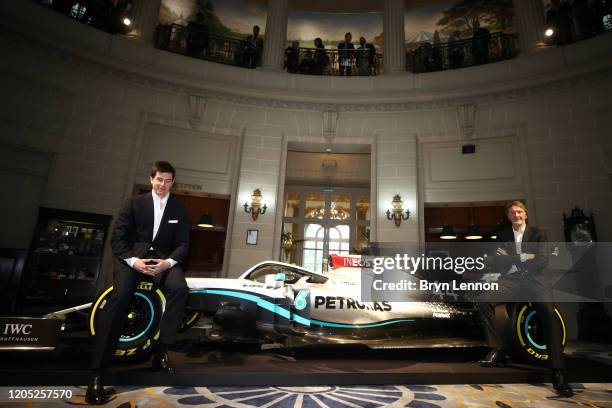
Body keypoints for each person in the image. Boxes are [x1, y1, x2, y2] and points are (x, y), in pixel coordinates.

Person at [86, 161, 190, 405]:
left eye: (168, 181)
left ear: (173, 182)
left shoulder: (180, 209)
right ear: (151, 179)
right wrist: (134, 262)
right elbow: (117, 239)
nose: (163, 185)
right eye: (159, 180)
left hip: (162, 262)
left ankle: (161, 352)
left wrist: (168, 263)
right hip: (132, 259)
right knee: (120, 297)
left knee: (180, 289)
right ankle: (97, 372)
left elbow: (183, 244)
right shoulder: (134, 203)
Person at [478, 201, 573, 398]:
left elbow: (541, 261)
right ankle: (498, 349)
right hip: (511, 281)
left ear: (526, 214)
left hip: (535, 281)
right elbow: (497, 262)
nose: (516, 215)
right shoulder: (502, 235)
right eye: (512, 213)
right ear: (508, 217)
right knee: (484, 299)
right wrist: (524, 256)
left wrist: (511, 257)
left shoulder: (539, 234)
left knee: (548, 312)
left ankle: (558, 371)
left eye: (519, 212)